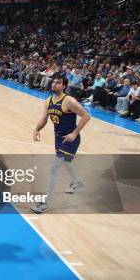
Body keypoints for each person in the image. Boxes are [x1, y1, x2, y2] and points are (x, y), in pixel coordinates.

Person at [32, 74, 91, 213]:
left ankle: (45, 204)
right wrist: (36, 129)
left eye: (58, 83)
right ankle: (77, 181)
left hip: (70, 139)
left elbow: (86, 116)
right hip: (58, 138)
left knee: (54, 168)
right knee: (66, 163)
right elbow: (44, 119)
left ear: (64, 86)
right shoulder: (48, 101)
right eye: (53, 82)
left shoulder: (69, 101)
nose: (54, 85)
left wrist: (75, 133)